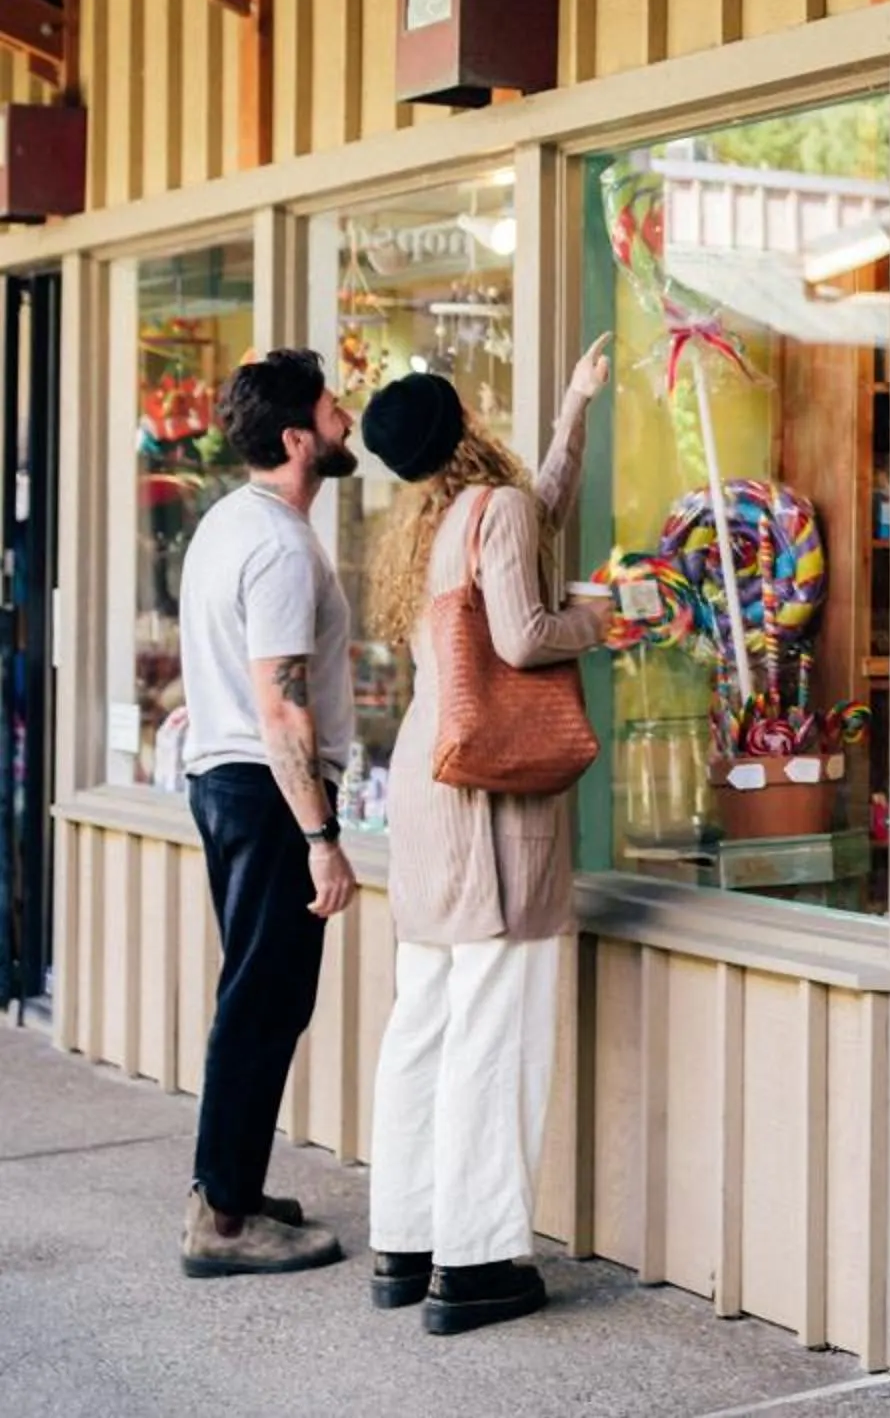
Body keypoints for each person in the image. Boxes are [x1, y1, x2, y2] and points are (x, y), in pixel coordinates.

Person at [358, 337, 614, 1335]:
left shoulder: (438, 519)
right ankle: (474, 1262)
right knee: (494, 1032)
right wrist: (599, 618)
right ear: (464, 422)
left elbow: (532, 512)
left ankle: (406, 1241)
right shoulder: (492, 508)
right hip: (493, 801)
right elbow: (523, 635)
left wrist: (575, 407)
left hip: (431, 784)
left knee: (423, 1020)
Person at [177, 349, 360, 1278]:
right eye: (331, 409)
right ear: (297, 440)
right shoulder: (281, 547)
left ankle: (232, 1191)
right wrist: (321, 837)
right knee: (264, 1001)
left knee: (256, 994)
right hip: (267, 791)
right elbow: (283, 708)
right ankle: (225, 1222)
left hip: (227, 782)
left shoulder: (227, 522)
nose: (345, 416)